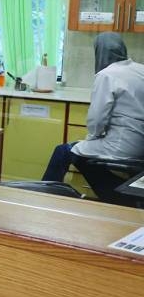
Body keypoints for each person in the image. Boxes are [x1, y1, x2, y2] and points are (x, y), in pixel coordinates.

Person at [41, 32, 144, 205]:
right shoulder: (140, 69)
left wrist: (90, 139)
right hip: (140, 146)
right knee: (83, 156)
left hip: (121, 146)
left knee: (64, 151)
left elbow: (97, 120)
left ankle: (43, 198)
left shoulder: (107, 75)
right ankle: (120, 196)